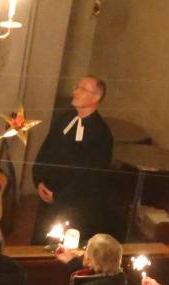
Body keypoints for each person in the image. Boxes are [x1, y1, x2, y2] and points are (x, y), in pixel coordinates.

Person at [31, 75, 114, 242]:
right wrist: (39, 181)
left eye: (82, 89)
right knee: (40, 242)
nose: (75, 91)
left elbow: (91, 176)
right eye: (76, 87)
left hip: (73, 206)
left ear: (96, 97)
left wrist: (59, 196)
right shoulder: (65, 118)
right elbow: (46, 151)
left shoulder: (101, 134)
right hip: (48, 196)